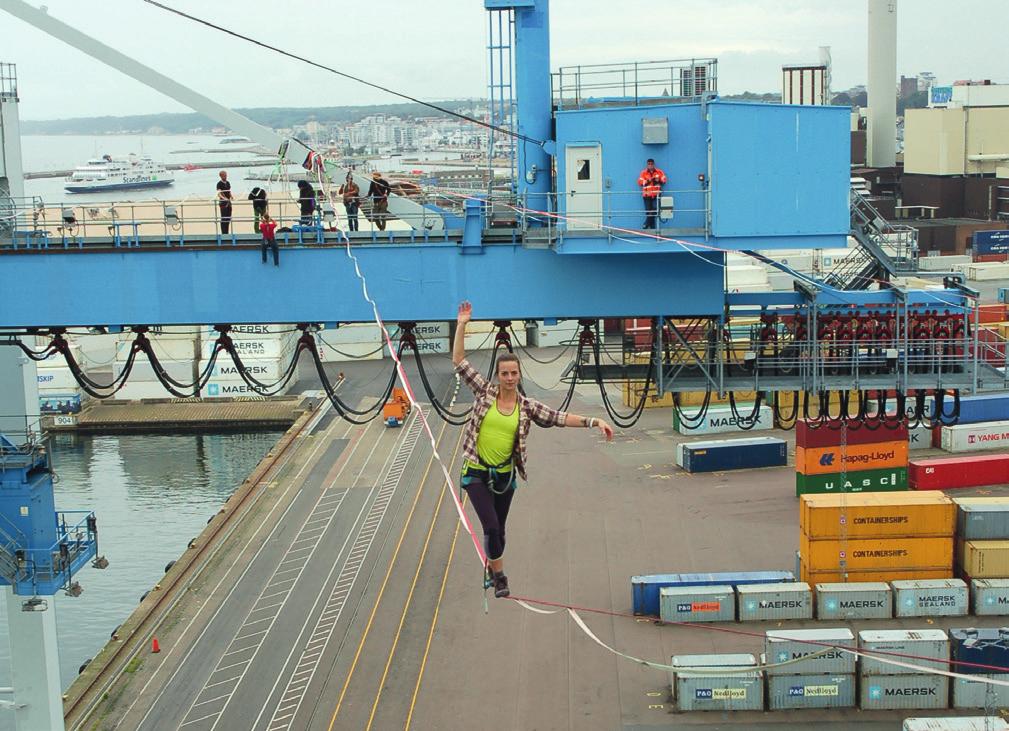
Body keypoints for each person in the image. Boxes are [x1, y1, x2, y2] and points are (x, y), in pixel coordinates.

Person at [452, 301, 614, 598]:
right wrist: (462, 324)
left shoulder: (527, 408)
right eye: (504, 374)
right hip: (475, 471)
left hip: (504, 477)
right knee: (489, 528)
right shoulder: (484, 392)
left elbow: (559, 418)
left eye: (514, 373)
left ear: (519, 375)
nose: (510, 378)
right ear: (498, 376)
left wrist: (594, 421)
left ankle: (494, 564)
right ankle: (500, 576)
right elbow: (459, 360)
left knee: (499, 532)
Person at [637, 158, 667, 230]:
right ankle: (652, 228)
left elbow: (664, 179)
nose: (650, 165)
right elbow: (640, 182)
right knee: (648, 211)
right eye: (649, 164)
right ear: (647, 165)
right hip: (647, 195)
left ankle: (646, 224)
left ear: (654, 164)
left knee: (654, 209)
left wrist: (659, 180)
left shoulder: (659, 172)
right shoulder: (643, 173)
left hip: (656, 194)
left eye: (651, 164)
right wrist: (648, 180)